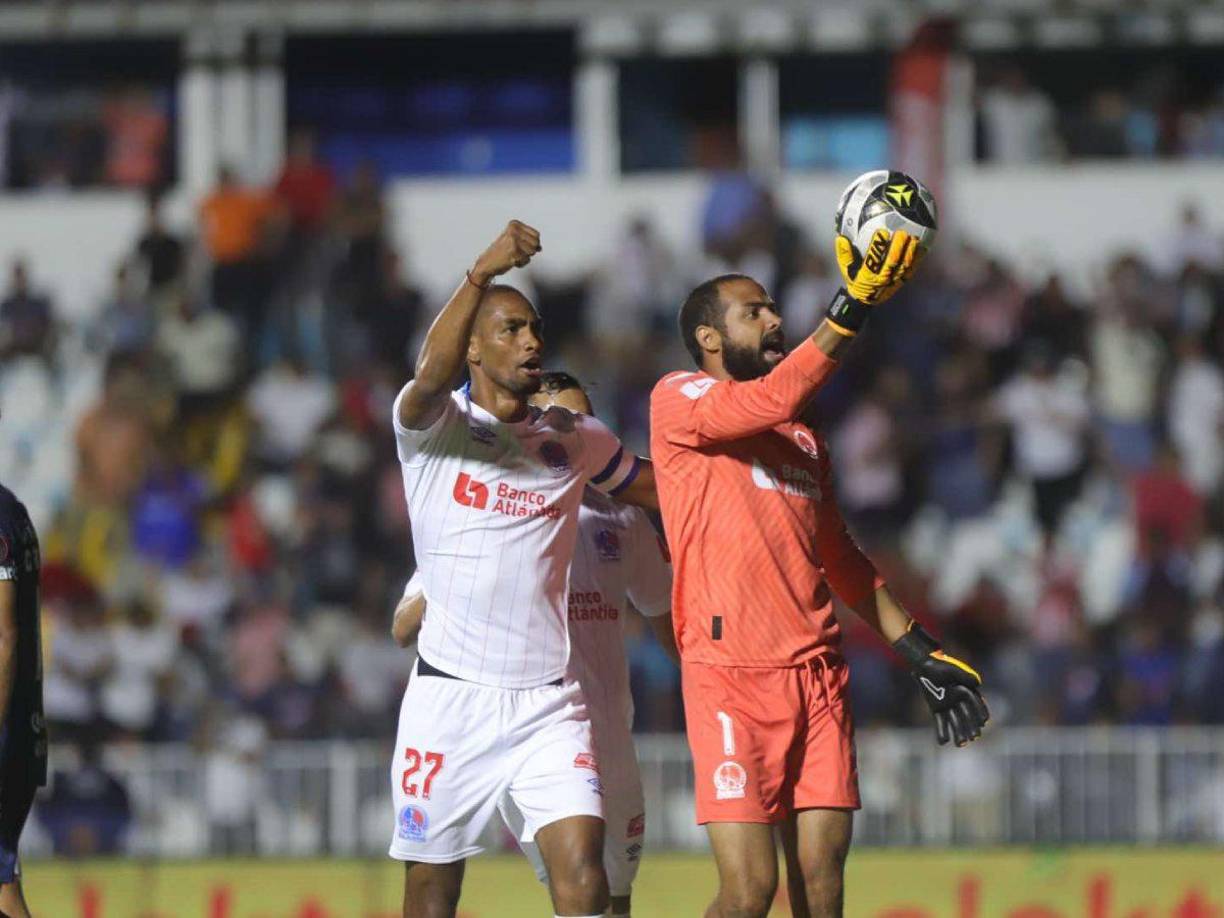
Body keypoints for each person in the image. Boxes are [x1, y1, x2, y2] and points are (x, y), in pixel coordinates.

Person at [649, 226, 989, 918]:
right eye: (754, 312)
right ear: (709, 338)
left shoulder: (805, 441)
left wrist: (920, 650)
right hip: (729, 676)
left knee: (823, 888)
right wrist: (854, 302)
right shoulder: (678, 400)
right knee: (749, 894)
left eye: (775, 307)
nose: (774, 319)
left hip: (818, 679)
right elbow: (768, 399)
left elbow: (842, 559)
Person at [389, 220, 657, 918]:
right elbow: (426, 376)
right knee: (431, 893)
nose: (532, 341)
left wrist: (747, 474)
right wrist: (480, 274)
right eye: (510, 329)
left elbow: (663, 487)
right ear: (471, 347)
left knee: (585, 878)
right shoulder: (434, 430)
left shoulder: (572, 440)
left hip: (547, 704)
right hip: (448, 702)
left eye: (534, 328)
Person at [0, 473, 49, 916]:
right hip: (19, 727)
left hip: (5, 732)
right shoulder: (12, 510)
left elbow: (4, 635)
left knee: (3, 889)